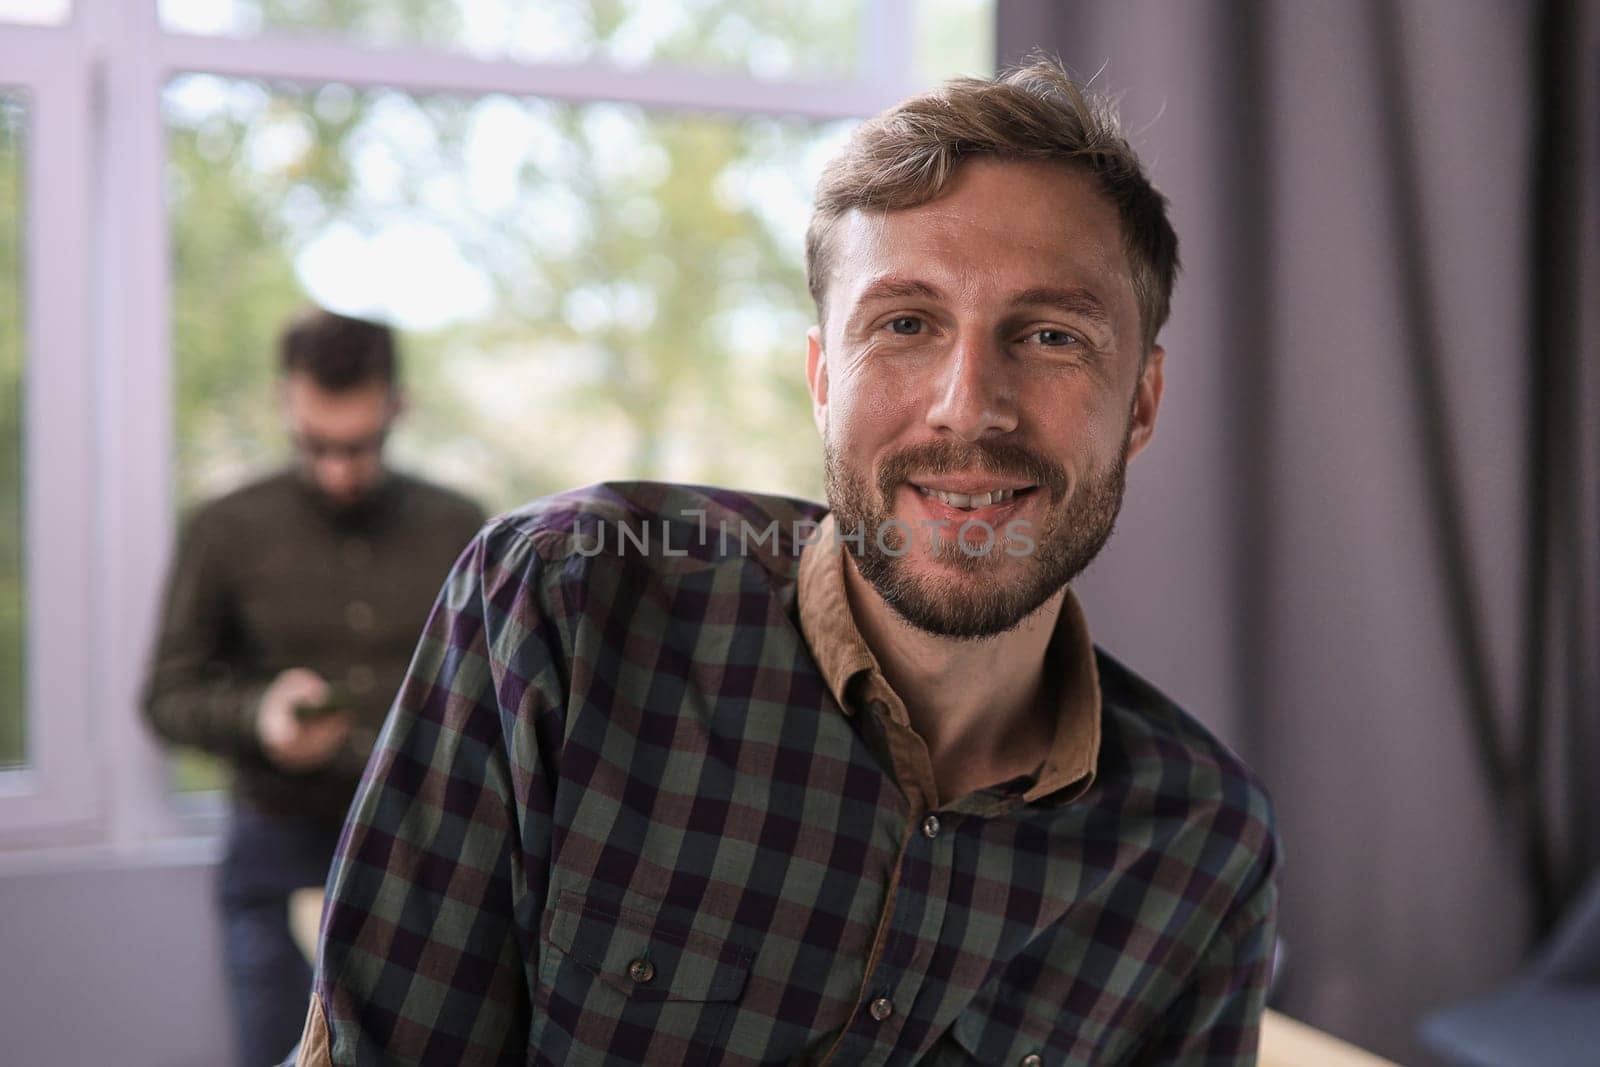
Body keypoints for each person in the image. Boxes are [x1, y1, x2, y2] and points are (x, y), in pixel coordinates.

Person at [294, 60, 1279, 1066]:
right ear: (821, 379)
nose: (966, 402)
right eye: (905, 323)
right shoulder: (562, 605)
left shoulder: (1200, 840)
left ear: (1142, 404)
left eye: (1052, 334)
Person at [141, 308, 485, 1067]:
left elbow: (495, 696)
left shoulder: (460, 526)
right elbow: (165, 694)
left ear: (398, 406)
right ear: (285, 404)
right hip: (277, 848)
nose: (338, 470)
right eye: (316, 444)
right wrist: (259, 715)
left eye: (359, 446)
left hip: (424, 856)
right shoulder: (225, 528)